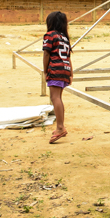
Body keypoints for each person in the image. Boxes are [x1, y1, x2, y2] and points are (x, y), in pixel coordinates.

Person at [43, 11, 73, 144]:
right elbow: (68, 57)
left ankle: (60, 127)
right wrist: (71, 73)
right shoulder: (64, 37)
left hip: (55, 69)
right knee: (58, 98)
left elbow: (46, 54)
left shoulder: (50, 35)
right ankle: (60, 126)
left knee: (55, 98)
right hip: (65, 69)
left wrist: (45, 71)